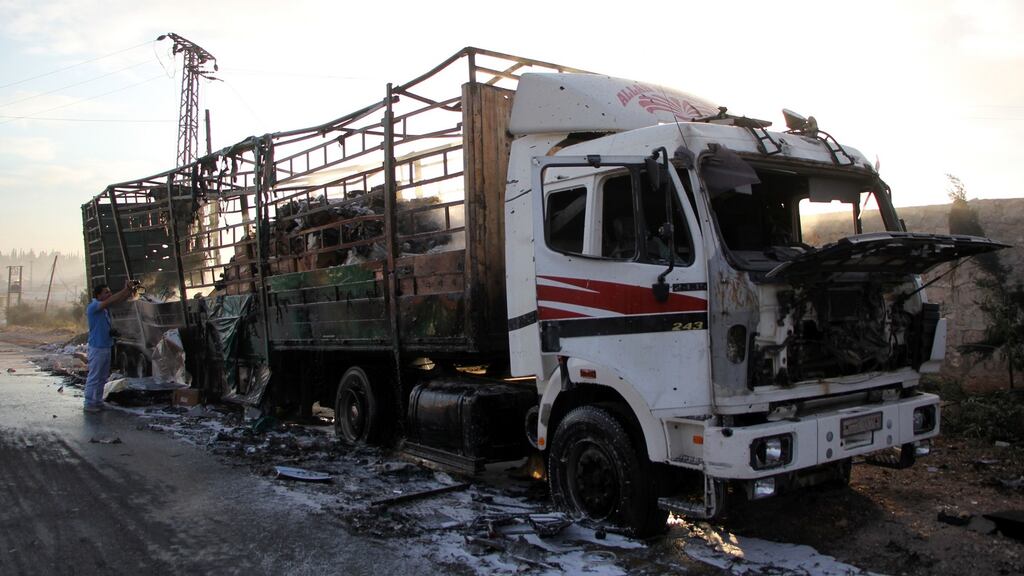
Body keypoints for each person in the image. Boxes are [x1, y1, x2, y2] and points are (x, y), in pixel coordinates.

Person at [84, 282, 138, 412]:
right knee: (95, 376)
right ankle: (89, 403)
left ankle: (97, 401)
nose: (109, 294)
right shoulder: (94, 306)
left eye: (109, 292)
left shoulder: (104, 310)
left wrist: (128, 291)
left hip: (105, 346)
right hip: (97, 347)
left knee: (102, 377)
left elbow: (117, 300)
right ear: (98, 295)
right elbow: (112, 299)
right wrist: (125, 288)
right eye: (106, 292)